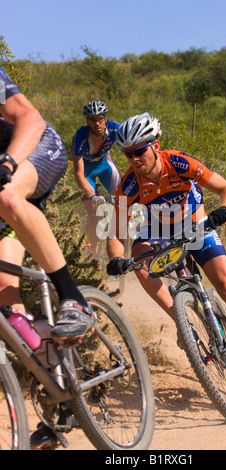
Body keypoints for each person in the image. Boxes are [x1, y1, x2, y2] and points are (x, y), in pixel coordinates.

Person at [106, 112, 226, 373]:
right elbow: (115, 231)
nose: (135, 159)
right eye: (128, 154)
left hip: (195, 225)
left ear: (155, 145)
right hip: (157, 229)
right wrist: (116, 258)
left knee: (225, 285)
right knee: (139, 261)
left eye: (140, 151)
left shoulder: (180, 163)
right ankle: (183, 323)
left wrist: (223, 210)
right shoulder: (128, 185)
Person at [0, 65, 95, 448]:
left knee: (8, 196)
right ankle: (62, 395)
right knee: (8, 308)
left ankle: (74, 297)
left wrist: (7, 163)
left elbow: (30, 118)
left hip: (34, 149)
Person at [71, 100, 122, 258]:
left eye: (100, 118)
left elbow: (134, 138)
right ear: (87, 121)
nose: (97, 123)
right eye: (92, 120)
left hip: (105, 164)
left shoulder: (115, 128)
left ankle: (126, 248)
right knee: (93, 214)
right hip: (87, 170)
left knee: (124, 202)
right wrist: (92, 196)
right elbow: (78, 173)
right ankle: (93, 256)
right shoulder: (80, 136)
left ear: (106, 119)